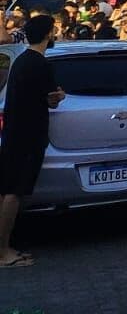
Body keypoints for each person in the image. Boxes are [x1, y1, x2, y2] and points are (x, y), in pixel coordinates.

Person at [0, 15, 64, 268]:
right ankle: (3, 252)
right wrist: (60, 95)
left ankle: (4, 247)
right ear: (48, 34)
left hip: (14, 134)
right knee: (14, 193)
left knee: (6, 190)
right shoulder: (40, 64)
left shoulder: (21, 60)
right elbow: (52, 99)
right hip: (28, 136)